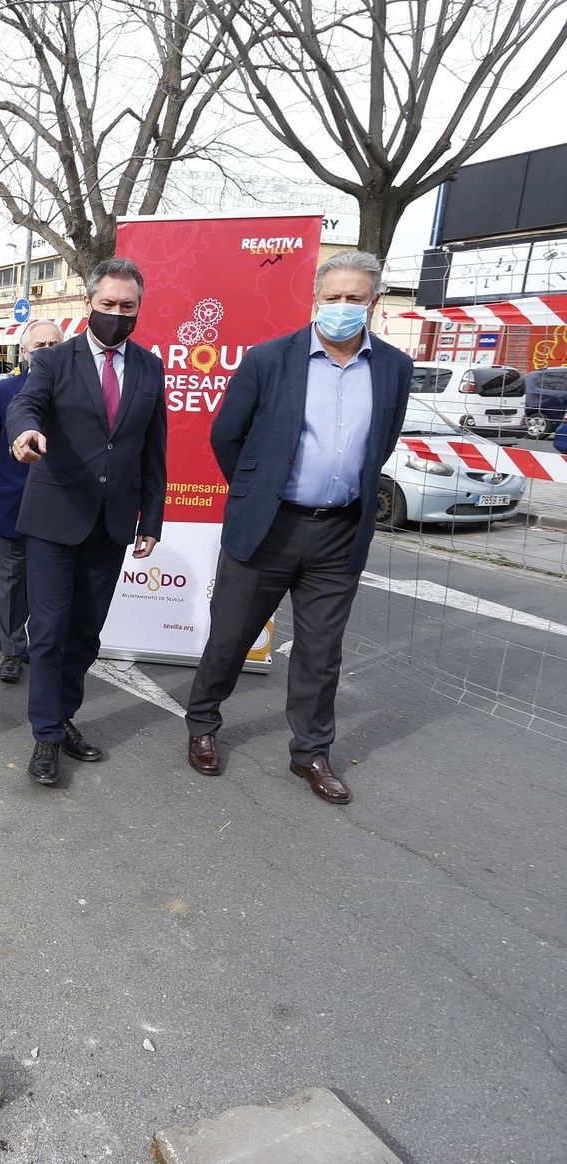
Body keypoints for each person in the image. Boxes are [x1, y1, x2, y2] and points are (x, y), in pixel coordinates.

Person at [183, 250, 413, 806]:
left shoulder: (393, 367)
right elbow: (226, 435)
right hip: (268, 527)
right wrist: (254, 491)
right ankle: (203, 724)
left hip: (338, 533)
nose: (342, 308)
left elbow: (381, 442)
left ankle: (310, 751)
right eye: (332, 297)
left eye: (354, 298)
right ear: (316, 300)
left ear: (374, 303)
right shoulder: (270, 360)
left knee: (321, 649)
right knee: (232, 636)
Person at [8, 257, 168, 788]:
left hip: (114, 522)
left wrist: (152, 518)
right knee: (50, 632)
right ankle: (46, 735)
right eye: (108, 305)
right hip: (55, 518)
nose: (117, 315)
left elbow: (153, 448)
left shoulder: (149, 367)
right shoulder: (55, 362)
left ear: (138, 309)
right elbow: (25, 406)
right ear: (88, 304)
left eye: (128, 307)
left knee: (85, 633)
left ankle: (65, 716)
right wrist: (26, 433)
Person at [0, 320, 63, 684]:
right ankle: (11, 650)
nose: (48, 349)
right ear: (25, 352)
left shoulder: (77, 393)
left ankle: (38, 646)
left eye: (55, 343)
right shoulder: (1, 392)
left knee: (47, 585)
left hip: (59, 510)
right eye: (40, 344)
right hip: (10, 505)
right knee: (9, 583)